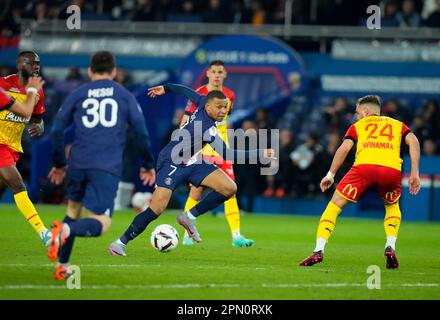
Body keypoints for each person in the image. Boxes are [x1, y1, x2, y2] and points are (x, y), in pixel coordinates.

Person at [108, 83, 275, 257]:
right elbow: (227, 153)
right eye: (219, 107)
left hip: (192, 161)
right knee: (156, 209)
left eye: (225, 107)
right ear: (209, 106)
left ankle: (189, 216)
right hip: (171, 162)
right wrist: (260, 153)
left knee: (229, 187)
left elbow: (184, 90)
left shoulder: (202, 101)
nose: (223, 111)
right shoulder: (207, 129)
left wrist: (166, 88)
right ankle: (119, 243)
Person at [47, 51, 156, 280]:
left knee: (73, 211)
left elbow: (56, 130)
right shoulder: (125, 95)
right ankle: (63, 231)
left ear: (90, 71)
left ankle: (62, 265)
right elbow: (141, 132)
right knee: (102, 222)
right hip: (105, 166)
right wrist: (147, 163)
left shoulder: (78, 93)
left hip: (77, 163)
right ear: (114, 71)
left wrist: (59, 163)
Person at [299, 95, 421, 269]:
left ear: (365, 111)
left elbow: (344, 148)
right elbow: (414, 141)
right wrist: (414, 172)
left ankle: (318, 251)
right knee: (392, 206)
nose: (356, 116)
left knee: (333, 207)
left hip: (363, 168)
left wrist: (330, 174)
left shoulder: (358, 125)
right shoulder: (397, 125)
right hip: (391, 170)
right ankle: (390, 246)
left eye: (357, 112)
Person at [179, 60, 254, 247]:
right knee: (196, 191)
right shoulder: (198, 94)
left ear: (225, 74)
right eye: (214, 71)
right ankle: (187, 234)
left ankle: (236, 235)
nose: (217, 75)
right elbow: (186, 119)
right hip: (202, 150)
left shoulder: (230, 95)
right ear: (208, 74)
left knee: (231, 190)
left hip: (222, 150)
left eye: (221, 71)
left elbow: (224, 121)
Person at [0, 76, 49, 244]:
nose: (35, 67)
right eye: (31, 63)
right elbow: (24, 111)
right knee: (18, 185)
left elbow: (34, 116)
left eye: (37, 64)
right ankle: (43, 232)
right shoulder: (3, 84)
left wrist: (39, 124)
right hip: (0, 145)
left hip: (12, 146)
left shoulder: (37, 91)